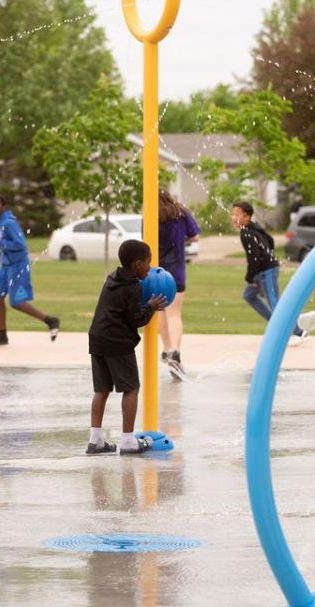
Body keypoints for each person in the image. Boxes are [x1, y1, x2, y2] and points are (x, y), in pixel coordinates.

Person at [86, 239, 166, 456]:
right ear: (137, 264)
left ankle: (95, 440)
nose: (149, 268)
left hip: (97, 337)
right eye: (148, 263)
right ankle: (129, 441)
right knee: (131, 388)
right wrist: (150, 307)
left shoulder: (112, 277)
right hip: (117, 341)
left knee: (101, 389)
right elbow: (135, 320)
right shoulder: (132, 287)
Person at [0, 194, 59, 346]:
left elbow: (21, 245)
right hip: (6, 264)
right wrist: (1, 253)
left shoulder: (9, 223)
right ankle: (2, 336)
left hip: (18, 265)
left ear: (3, 207)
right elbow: (7, 244)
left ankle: (50, 320)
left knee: (16, 302)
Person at [231, 201, 307, 343]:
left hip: (267, 271)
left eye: (237, 214)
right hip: (264, 269)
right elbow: (270, 240)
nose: (233, 217)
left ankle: (297, 332)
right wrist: (268, 256)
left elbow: (253, 258)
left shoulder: (247, 233)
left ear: (247, 216)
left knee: (274, 303)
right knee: (249, 295)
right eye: (232, 214)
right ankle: (276, 325)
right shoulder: (254, 227)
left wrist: (250, 278)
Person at [157, 188, 200, 380]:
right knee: (174, 312)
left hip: (156, 270)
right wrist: (179, 238)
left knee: (160, 311)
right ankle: (175, 350)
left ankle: (166, 349)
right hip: (177, 270)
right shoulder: (181, 212)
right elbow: (195, 235)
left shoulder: (151, 214)